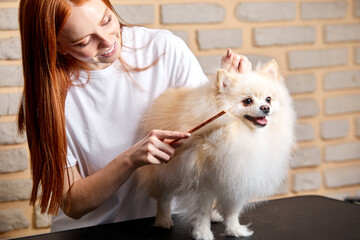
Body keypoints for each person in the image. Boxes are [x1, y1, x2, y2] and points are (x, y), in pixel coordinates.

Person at [17, 0, 252, 232]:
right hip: (90, 231)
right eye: (85, 41)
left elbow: (207, 146)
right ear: (56, 45)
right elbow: (72, 203)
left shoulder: (163, 49)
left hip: (172, 224)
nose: (108, 41)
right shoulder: (45, 100)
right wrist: (130, 160)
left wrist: (233, 99)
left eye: (107, 20)